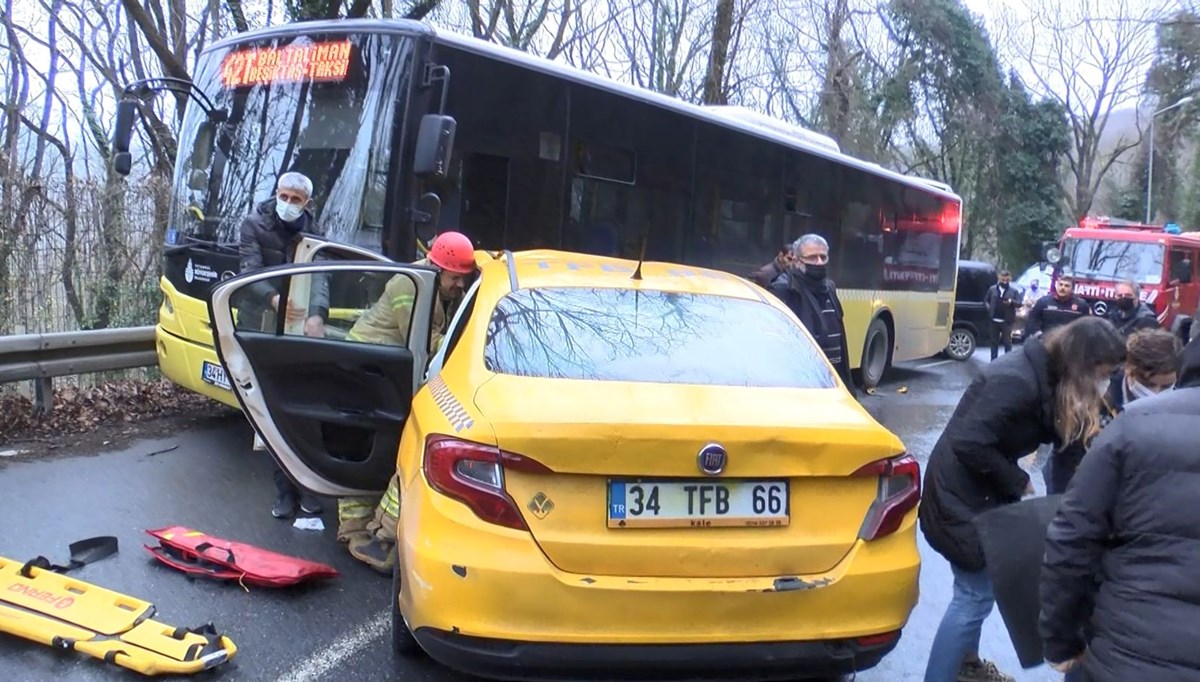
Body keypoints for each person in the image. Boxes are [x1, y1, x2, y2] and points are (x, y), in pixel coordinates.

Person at [919, 317, 1126, 682]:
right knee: (973, 595)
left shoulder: (1048, 375)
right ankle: (941, 676)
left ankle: (966, 670)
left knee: (976, 593)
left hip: (979, 492)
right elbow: (968, 441)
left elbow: (1066, 441)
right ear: (1082, 363)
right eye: (1103, 372)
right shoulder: (1015, 380)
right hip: (959, 497)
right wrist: (1018, 481)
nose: (1105, 381)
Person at [1040, 333, 1200, 681]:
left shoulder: (1135, 425)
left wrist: (1059, 641)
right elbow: (1062, 462)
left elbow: (1071, 540)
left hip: (1127, 653)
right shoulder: (1103, 401)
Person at [336, 230, 479, 572]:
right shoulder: (408, 285)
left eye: (464, 281)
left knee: (379, 446)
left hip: (389, 369)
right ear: (437, 267)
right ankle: (360, 531)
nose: (459, 287)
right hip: (365, 367)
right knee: (364, 445)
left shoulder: (439, 286)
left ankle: (373, 529)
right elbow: (425, 342)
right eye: (456, 280)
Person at [238, 171, 328, 519]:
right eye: (284, 196)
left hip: (301, 327)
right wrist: (273, 299)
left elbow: (322, 276)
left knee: (304, 407)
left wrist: (318, 314)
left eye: (296, 199)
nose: (288, 204)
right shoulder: (253, 224)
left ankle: (308, 488)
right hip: (262, 324)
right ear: (276, 193)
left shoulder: (313, 232)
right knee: (271, 410)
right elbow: (249, 269)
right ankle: (284, 493)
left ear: (307, 203)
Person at [1045, 328, 1180, 494]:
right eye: (1149, 385)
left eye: (1166, 387)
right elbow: (1065, 463)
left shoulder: (1185, 405)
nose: (1157, 393)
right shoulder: (1091, 398)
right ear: (1128, 368)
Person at [769, 234, 855, 393]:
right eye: (813, 258)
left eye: (823, 257)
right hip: (801, 384)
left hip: (832, 381)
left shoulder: (829, 288)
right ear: (797, 260)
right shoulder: (784, 290)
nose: (819, 263)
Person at [1025, 273, 1089, 338]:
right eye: (1060, 285)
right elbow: (1032, 320)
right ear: (1057, 286)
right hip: (1046, 341)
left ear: (1072, 289)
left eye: (1066, 286)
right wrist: (1039, 335)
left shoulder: (1082, 305)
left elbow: (1086, 325)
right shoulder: (1043, 302)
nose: (1062, 288)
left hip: (1070, 343)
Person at [984, 269, 1020, 360]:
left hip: (1007, 321)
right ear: (999, 278)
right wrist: (989, 309)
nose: (1004, 282)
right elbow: (986, 301)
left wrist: (1011, 302)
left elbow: (1019, 303)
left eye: (1006, 280)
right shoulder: (992, 289)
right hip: (994, 320)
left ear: (1010, 279)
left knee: (1007, 343)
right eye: (1002, 280)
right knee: (993, 343)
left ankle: (1007, 361)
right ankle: (993, 361)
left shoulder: (1014, 291)